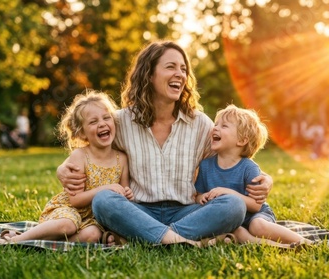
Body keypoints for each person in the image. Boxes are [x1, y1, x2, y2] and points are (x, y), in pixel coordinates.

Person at [57, 41, 273, 246]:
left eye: (183, 69)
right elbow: (89, 150)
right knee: (103, 200)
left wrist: (267, 179)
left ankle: (145, 236)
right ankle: (181, 240)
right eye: (170, 67)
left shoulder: (199, 124)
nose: (180, 74)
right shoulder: (120, 122)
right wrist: (61, 170)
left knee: (233, 206)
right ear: (149, 74)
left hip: (187, 210)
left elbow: (233, 157)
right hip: (137, 210)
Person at [0, 90, 133, 245]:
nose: (102, 124)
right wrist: (107, 188)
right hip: (68, 211)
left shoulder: (122, 158)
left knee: (92, 235)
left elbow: (122, 196)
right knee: (67, 225)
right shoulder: (80, 155)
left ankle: (44, 241)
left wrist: (127, 193)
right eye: (93, 122)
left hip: (93, 220)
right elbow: (76, 200)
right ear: (82, 133)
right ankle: (16, 240)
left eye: (106, 118)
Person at [195, 104, 312, 248]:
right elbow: (198, 195)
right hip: (232, 219)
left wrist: (228, 193)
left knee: (257, 227)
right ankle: (274, 246)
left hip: (255, 216)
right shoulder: (206, 166)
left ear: (242, 141)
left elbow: (256, 206)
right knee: (238, 232)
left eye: (224, 126)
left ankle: (305, 242)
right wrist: (203, 198)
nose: (215, 128)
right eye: (216, 124)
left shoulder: (249, 168)